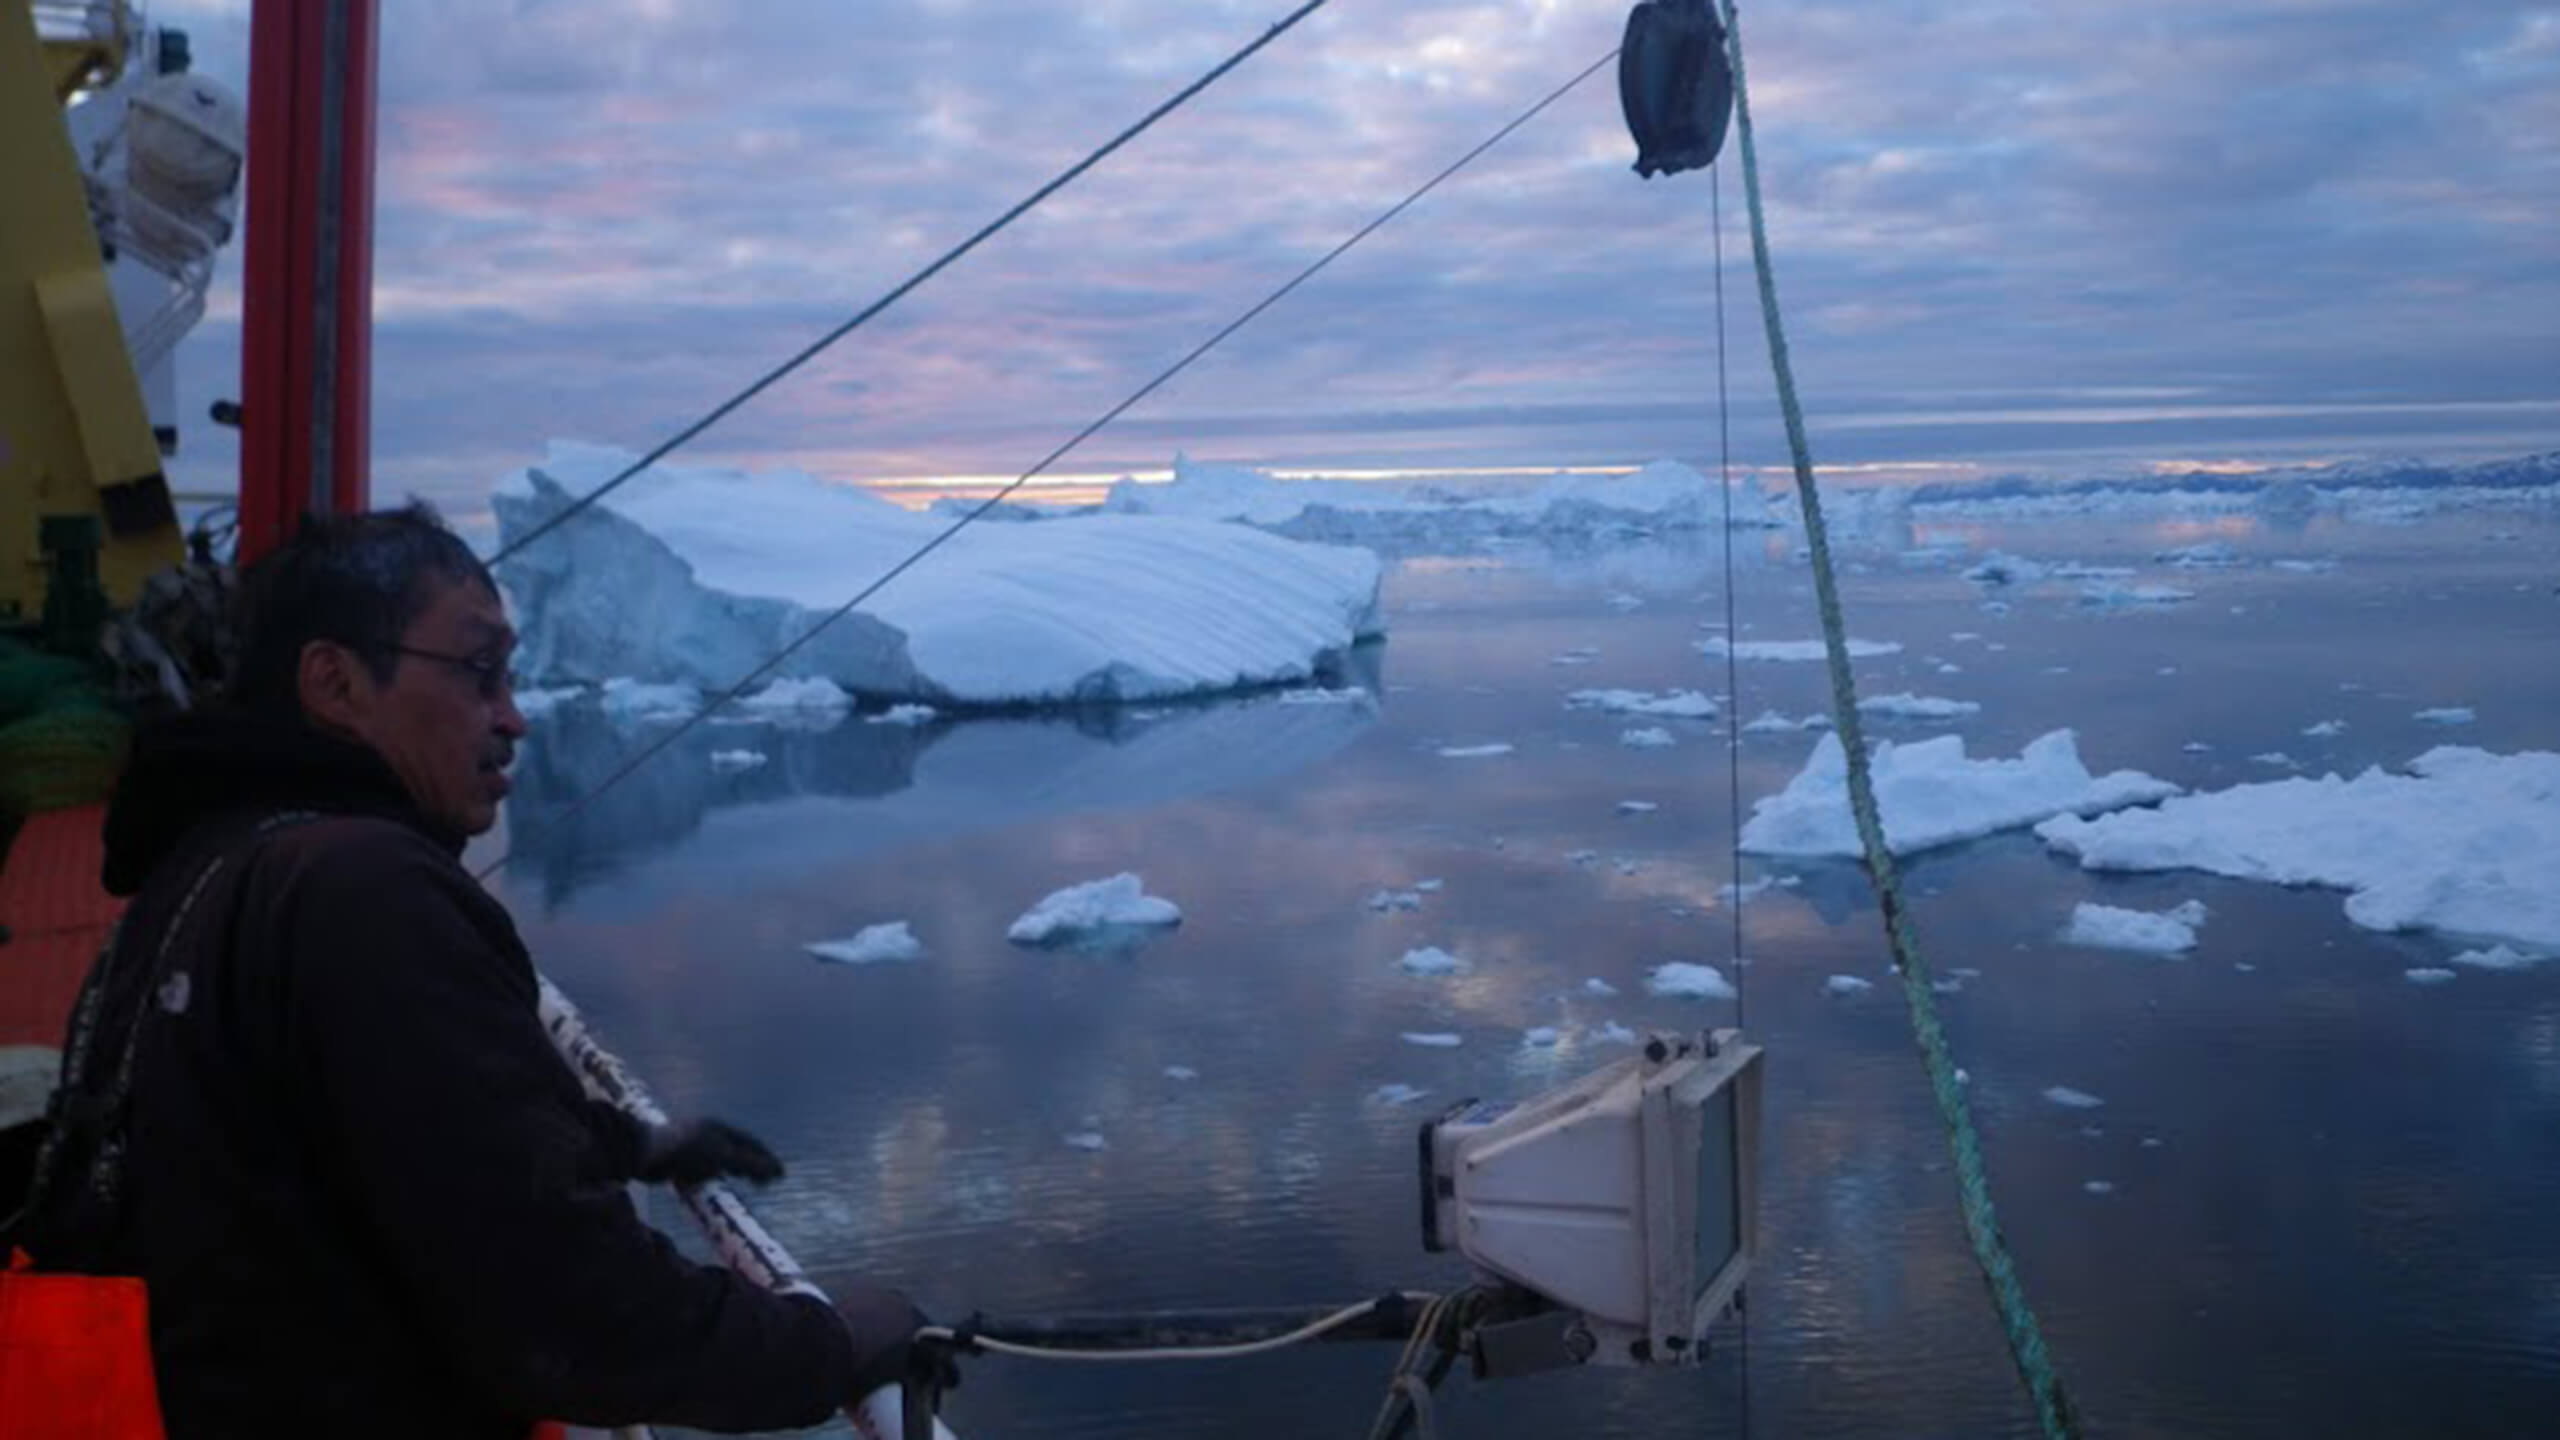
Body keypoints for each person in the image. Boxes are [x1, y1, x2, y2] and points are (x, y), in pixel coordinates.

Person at [12, 504, 923, 1437]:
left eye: (513, 676)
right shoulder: (361, 891)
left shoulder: (204, 869)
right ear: (334, 682)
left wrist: (620, 1145)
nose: (515, 718)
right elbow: (579, 1316)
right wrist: (833, 1344)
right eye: (479, 671)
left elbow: (336, 1130)